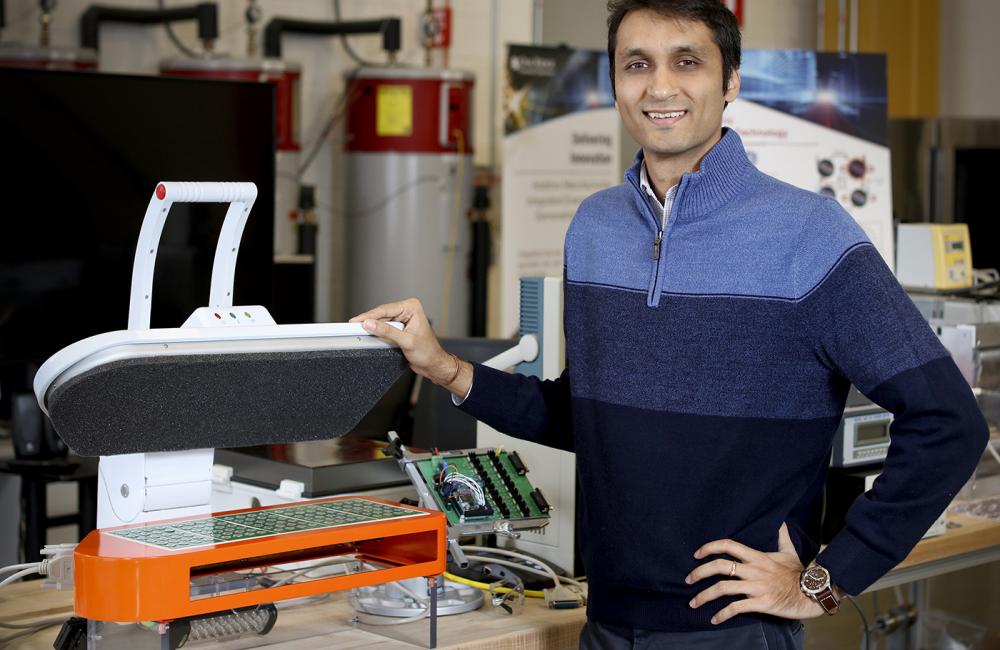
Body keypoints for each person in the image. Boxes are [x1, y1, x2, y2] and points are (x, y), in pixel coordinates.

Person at [351, 1, 989, 647]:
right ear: (615, 83)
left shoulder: (810, 235)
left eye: (687, 62)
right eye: (637, 64)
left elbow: (948, 423)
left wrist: (827, 579)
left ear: (730, 79)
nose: (660, 86)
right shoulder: (593, 229)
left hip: (731, 631)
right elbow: (590, 418)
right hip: (605, 623)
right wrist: (446, 370)